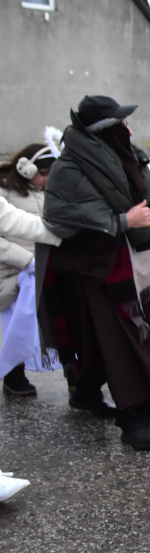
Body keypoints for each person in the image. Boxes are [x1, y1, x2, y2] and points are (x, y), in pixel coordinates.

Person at [37, 95, 150, 451]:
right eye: (122, 124)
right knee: (119, 342)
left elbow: (144, 196)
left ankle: (86, 390)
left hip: (136, 265)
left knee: (121, 337)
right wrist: (123, 221)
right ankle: (132, 418)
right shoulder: (70, 168)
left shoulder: (127, 158)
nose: (129, 129)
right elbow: (62, 217)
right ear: (106, 132)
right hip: (97, 273)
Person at [0, 134, 59, 396]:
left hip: (40, 269)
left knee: (44, 323)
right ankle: (14, 375)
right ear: (27, 168)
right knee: (16, 326)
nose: (46, 179)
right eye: (43, 173)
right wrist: (26, 260)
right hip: (12, 271)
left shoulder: (49, 193)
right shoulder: (4, 191)